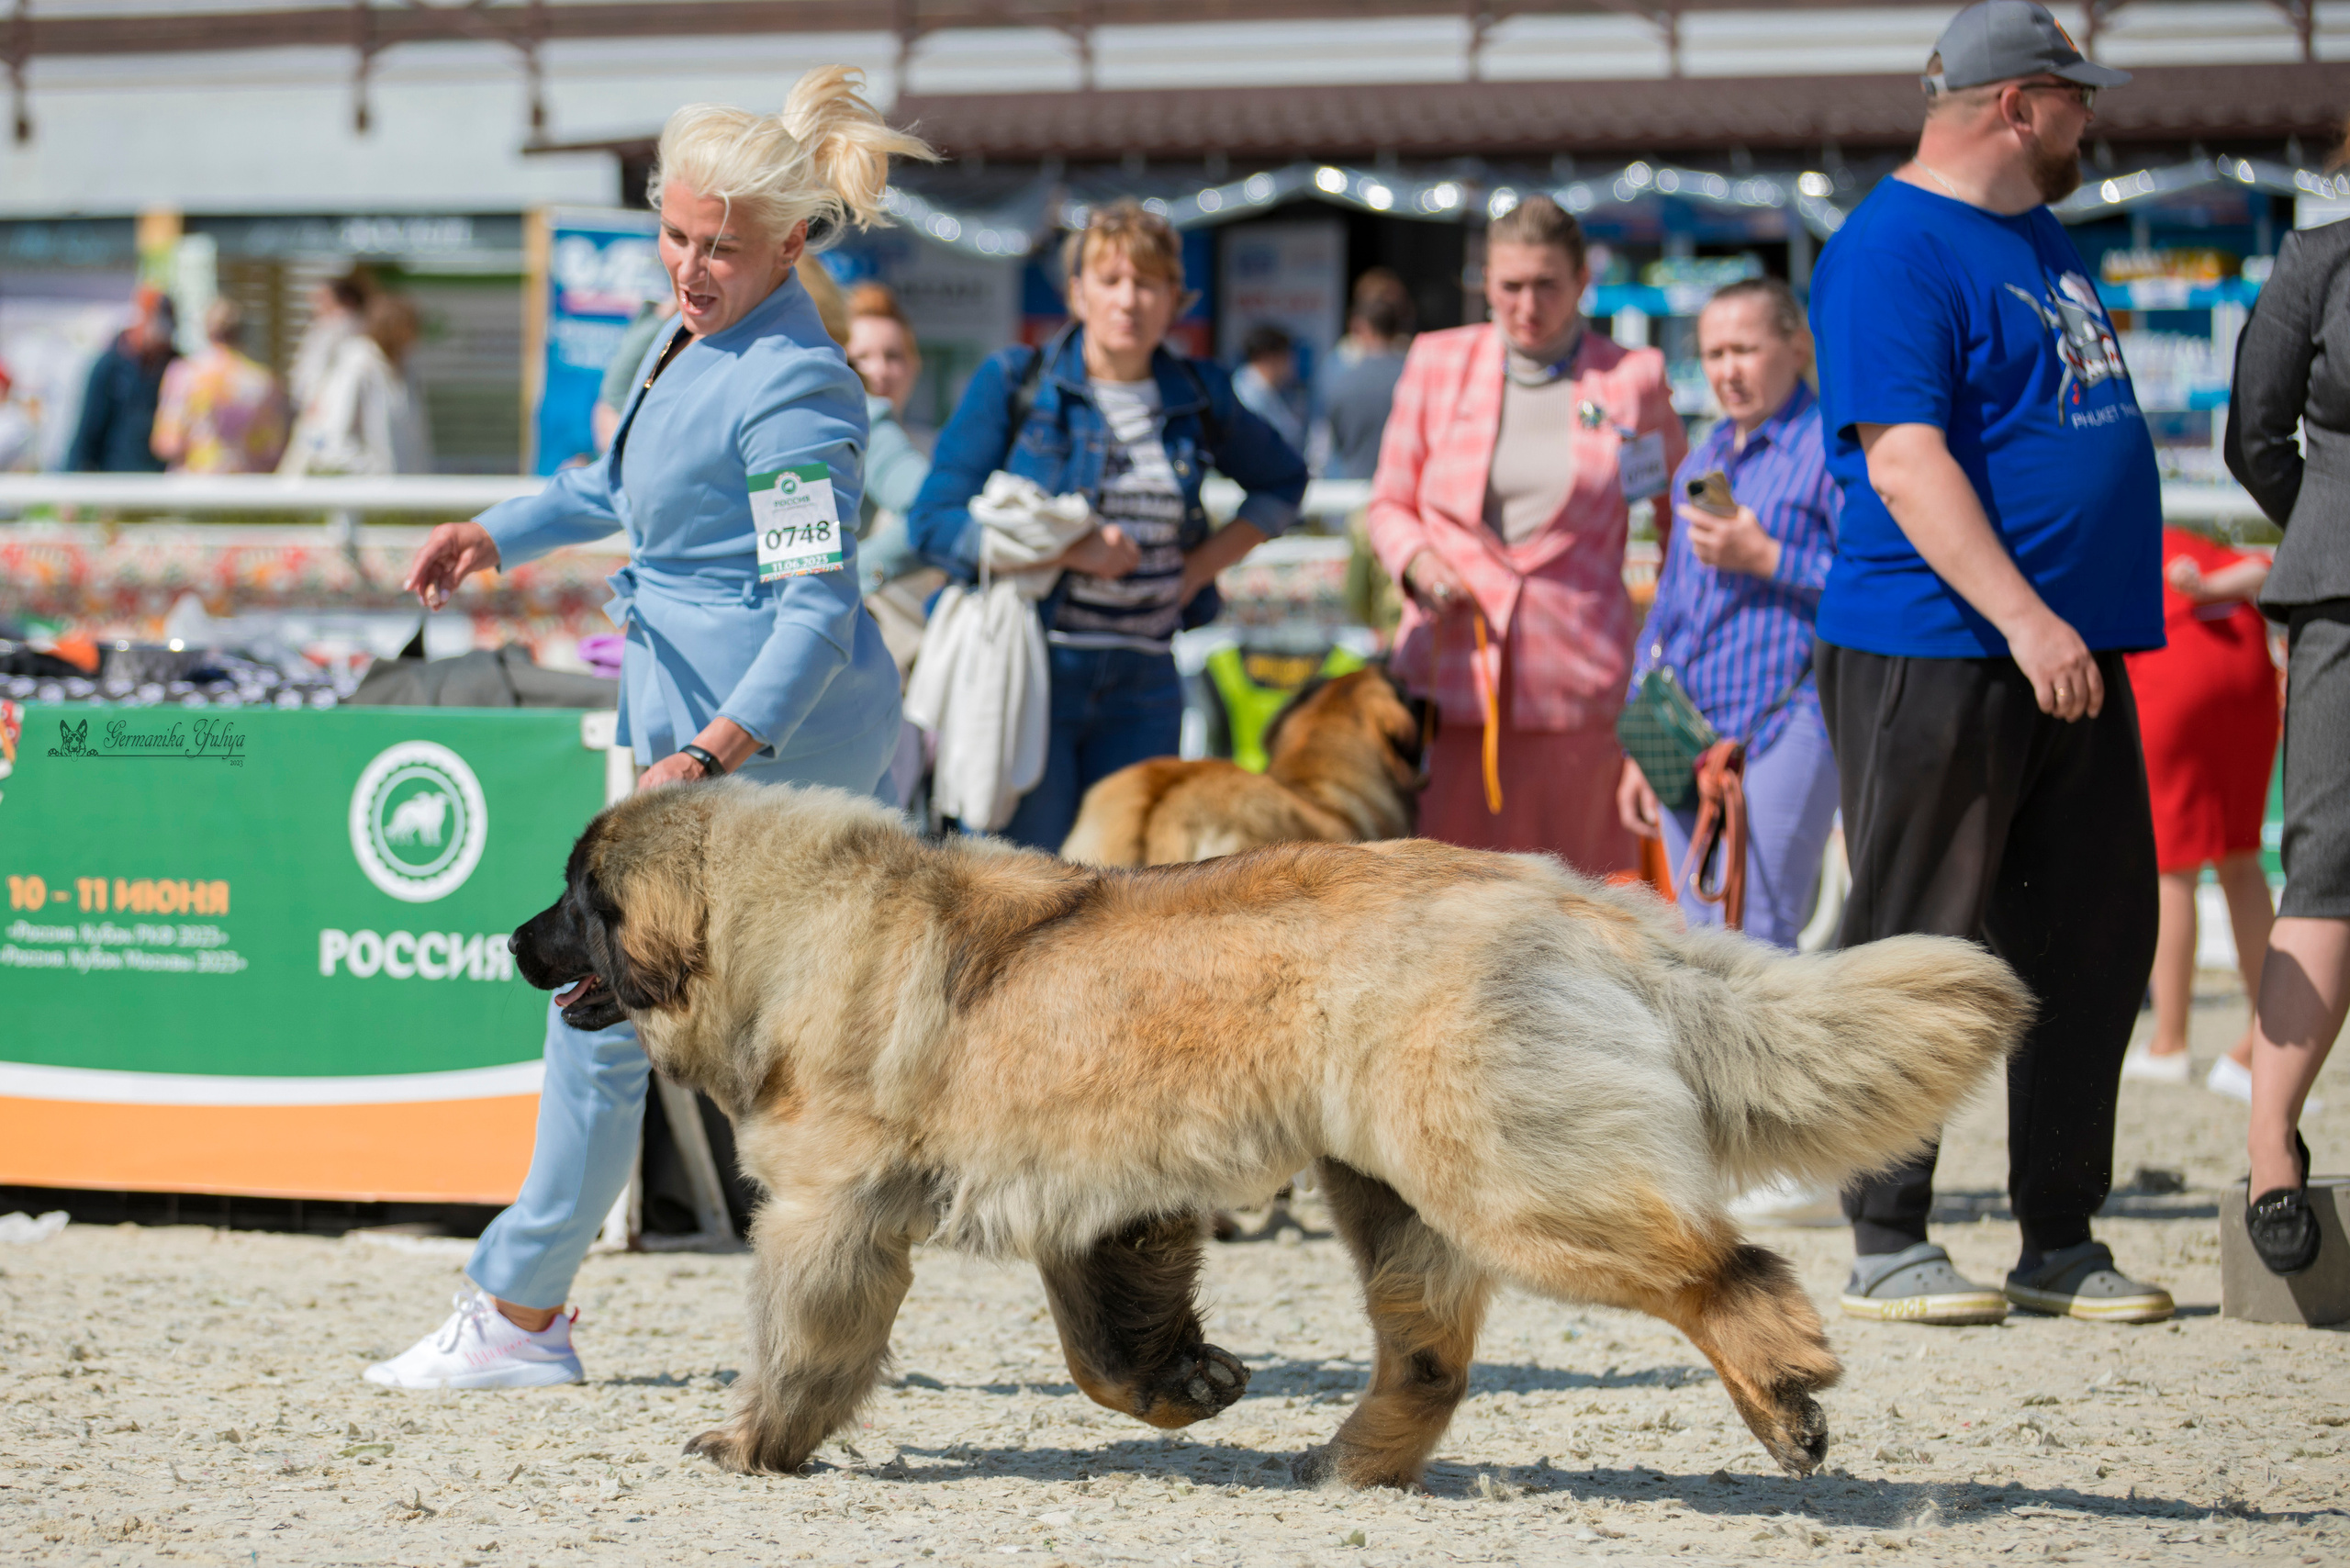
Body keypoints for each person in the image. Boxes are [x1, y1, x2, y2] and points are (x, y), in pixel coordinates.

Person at [364, 66, 929, 1388]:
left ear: (791, 245)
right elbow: (616, 480)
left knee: (633, 1010)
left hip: (764, 758)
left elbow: (814, 613)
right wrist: (494, 532)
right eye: (673, 235)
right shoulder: (688, 338)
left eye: (717, 246)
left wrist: (710, 755)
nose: (687, 265)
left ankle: (524, 1309)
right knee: (623, 1010)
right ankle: (529, 1307)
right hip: (698, 744)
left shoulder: (796, 385)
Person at [1808, 0, 2172, 1325]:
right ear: (2017, 105)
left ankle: (2058, 1236)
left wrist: (2059, 622)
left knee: (2092, 936)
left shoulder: (2032, 229)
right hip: (1941, 641)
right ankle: (1885, 1235)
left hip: (2063, 647)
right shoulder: (1892, 246)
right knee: (1917, 937)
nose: (2092, 118)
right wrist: (2024, 617)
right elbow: (1905, 461)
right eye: (2076, 98)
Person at [907, 199, 1307, 850]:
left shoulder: (1200, 395)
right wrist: (1070, 551)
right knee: (1022, 882)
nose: (1128, 299)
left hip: (1145, 682)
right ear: (1077, 293)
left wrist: (1197, 569)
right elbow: (933, 523)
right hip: (1035, 671)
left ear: (1176, 299)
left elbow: (1284, 481)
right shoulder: (1016, 382)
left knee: (1128, 889)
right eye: (1110, 279)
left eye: (1148, 283)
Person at [1366, 195, 1685, 873]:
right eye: (1510, 285)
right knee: (1448, 901)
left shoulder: (1633, 379)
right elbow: (1390, 503)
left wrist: (1668, 647)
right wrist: (1419, 562)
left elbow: (1676, 526)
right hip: (1449, 680)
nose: (1528, 305)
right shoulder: (1435, 362)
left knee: (1581, 901)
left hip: (1579, 689)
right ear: (1484, 282)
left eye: (1548, 285)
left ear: (1582, 282)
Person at [1617, 277, 1841, 951]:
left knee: (1761, 933)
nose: (1727, 371)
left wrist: (1769, 557)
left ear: (1797, 347)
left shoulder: (1832, 449)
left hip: (1788, 720)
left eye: (1744, 349)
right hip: (1688, 724)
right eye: (1714, 354)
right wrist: (1641, 738)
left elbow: (1874, 587)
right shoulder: (1706, 455)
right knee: (1696, 934)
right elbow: (1671, 604)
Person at [2224, 171, 2350, 1278]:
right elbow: (2254, 439)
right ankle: (2272, 1146)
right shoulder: (2317, 260)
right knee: (2325, 865)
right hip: (2341, 598)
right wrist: (2327, 533)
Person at [2117, 529, 2277, 1096]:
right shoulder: (2189, 542)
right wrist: (2209, 587)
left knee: (2173, 868)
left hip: (2174, 670)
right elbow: (2264, 567)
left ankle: (2170, 1042)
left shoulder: (2127, 540)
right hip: (2247, 673)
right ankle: (2267, 1040)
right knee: (2242, 860)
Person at [279, 292, 431, 475]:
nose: (414, 338)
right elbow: (333, 437)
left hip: (399, 487)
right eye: (410, 329)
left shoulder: (404, 370)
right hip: (360, 485)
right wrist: (373, 470)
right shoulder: (358, 363)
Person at [845, 281, 931, 592]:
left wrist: (844, 578)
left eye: (893, 356)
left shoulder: (938, 447)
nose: (878, 371)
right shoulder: (855, 427)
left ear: (914, 365)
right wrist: (850, 578)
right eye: (861, 357)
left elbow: (930, 510)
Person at [151, 298, 289, 474]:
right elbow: (272, 449)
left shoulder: (185, 374)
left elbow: (168, 443)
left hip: (194, 482)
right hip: (244, 482)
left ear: (207, 329)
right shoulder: (263, 381)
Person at [64, 286, 176, 473]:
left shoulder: (174, 365)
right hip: (115, 477)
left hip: (160, 478)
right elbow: (88, 428)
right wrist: (73, 475)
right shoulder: (110, 365)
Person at [1319, 283, 1413, 481]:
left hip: (1350, 483)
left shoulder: (1339, 375)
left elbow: (1326, 438)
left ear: (1362, 327)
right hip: (1400, 482)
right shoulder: (1414, 375)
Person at [287, 270, 375, 414]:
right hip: (314, 404)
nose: (315, 305)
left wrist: (315, 398)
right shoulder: (325, 326)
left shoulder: (342, 326)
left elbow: (324, 366)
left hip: (324, 407)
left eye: (321, 299)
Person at [1233, 323, 1309, 455]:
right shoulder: (1247, 396)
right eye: (1287, 357)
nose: (1292, 364)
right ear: (1270, 358)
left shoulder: (1263, 390)